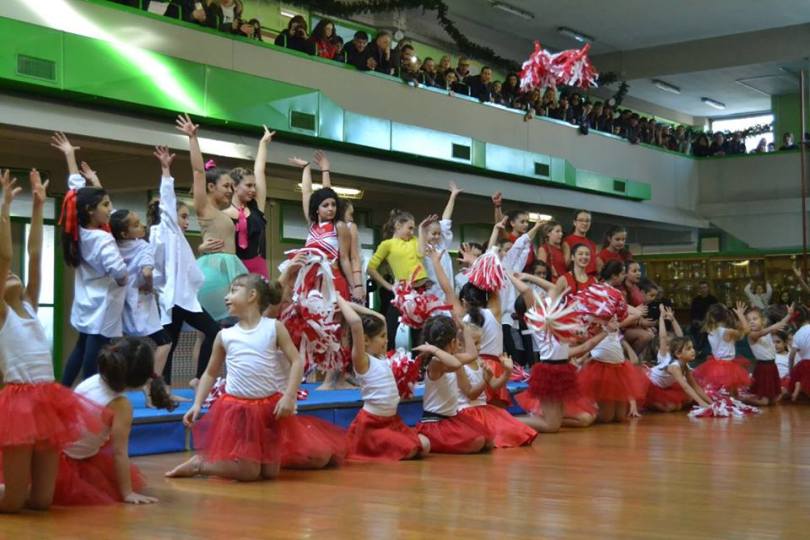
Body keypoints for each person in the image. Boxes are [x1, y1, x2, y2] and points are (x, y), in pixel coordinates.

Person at [166, 274, 343, 480]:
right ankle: (200, 465)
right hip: (238, 408)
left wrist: (289, 395)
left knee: (269, 473)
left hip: (269, 406)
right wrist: (197, 404)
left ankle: (248, 461)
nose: (227, 296)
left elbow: (297, 361)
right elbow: (210, 372)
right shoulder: (225, 335)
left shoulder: (273, 327)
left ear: (252, 295)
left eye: (233, 290)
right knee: (248, 472)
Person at [0, 169, 104, 513]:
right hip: (17, 402)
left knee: (42, 501)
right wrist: (5, 208)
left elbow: (34, 255)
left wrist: (39, 206)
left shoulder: (28, 303)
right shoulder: (2, 313)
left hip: (46, 398)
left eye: (15, 273)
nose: (12, 272)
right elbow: (5, 258)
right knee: (13, 503)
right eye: (6, 275)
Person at [54, 338, 174, 505]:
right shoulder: (120, 406)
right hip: (65, 461)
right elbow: (119, 452)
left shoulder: (93, 380)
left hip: (57, 450)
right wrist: (127, 493)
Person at [53, 133, 128, 386]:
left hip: (86, 300)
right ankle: (87, 401)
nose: (110, 209)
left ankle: (63, 393)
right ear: (90, 210)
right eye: (106, 205)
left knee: (81, 347)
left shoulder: (77, 231)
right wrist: (123, 279)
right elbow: (118, 271)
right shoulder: (102, 240)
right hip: (103, 305)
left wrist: (69, 155)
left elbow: (75, 190)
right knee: (94, 359)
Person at [148, 146, 221, 392]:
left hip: (184, 297)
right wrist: (166, 170)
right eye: (183, 216)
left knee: (179, 340)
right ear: (169, 216)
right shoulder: (163, 231)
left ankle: (195, 379)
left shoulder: (175, 236)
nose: (186, 221)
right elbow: (167, 202)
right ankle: (162, 388)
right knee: (170, 342)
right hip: (173, 298)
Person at [511, 274, 612, 433]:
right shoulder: (535, 318)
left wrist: (528, 276)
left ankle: (529, 419)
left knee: (557, 425)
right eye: (538, 297)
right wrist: (508, 273)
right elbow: (526, 291)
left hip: (562, 370)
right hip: (549, 372)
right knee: (551, 427)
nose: (542, 296)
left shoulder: (550, 315)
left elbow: (553, 288)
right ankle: (507, 420)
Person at [175, 113, 248, 324]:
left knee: (216, 331)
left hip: (226, 269)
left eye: (232, 187)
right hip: (215, 272)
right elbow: (198, 171)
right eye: (226, 186)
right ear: (210, 187)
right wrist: (192, 138)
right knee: (217, 328)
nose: (230, 191)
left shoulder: (222, 213)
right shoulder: (204, 207)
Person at [337, 297, 430, 461]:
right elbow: (356, 325)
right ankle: (375, 446)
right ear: (365, 340)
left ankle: (389, 445)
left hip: (392, 421)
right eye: (382, 336)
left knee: (425, 445)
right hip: (373, 424)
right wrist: (338, 298)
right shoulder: (362, 360)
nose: (387, 340)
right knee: (410, 449)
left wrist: (352, 305)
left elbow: (381, 319)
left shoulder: (381, 356)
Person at [108, 208, 172, 397]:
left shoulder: (113, 244)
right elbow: (147, 272)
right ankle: (151, 384)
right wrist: (149, 286)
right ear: (125, 233)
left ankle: (114, 387)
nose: (142, 226)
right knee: (165, 342)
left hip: (119, 300)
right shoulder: (143, 247)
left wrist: (95, 183)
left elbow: (112, 212)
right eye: (136, 225)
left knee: (122, 343)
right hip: (138, 300)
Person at [414, 315, 492, 453]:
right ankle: (430, 439)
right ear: (452, 343)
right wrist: (434, 350)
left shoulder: (449, 358)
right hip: (434, 423)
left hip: (451, 419)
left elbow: (472, 355)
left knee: (487, 439)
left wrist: (464, 328)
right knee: (477, 442)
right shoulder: (436, 362)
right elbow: (455, 364)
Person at [455, 322, 537, 448]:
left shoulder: (479, 361)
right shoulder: (458, 366)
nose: (480, 347)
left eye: (480, 342)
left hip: (483, 409)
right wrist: (485, 381)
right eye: (475, 343)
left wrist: (507, 372)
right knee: (499, 433)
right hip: (467, 412)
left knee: (516, 429)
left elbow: (494, 385)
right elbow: (471, 394)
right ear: (460, 345)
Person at [288, 150, 354, 300]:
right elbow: (306, 193)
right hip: (310, 279)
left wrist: (355, 287)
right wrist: (306, 168)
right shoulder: (312, 225)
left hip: (332, 279)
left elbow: (344, 258)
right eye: (325, 206)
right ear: (317, 209)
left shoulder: (338, 226)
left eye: (333, 205)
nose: (330, 208)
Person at [367, 209, 425, 349]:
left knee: (419, 331)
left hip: (420, 292)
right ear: (398, 225)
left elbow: (422, 254)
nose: (412, 232)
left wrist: (422, 230)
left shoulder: (414, 240)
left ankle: (420, 365)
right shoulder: (387, 244)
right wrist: (388, 286)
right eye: (409, 228)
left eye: (414, 229)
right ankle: (388, 358)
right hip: (402, 292)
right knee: (391, 326)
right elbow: (370, 268)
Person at [222, 127, 273, 279]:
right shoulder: (224, 215)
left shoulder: (256, 206)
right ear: (235, 186)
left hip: (258, 265)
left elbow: (260, 170)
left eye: (254, 186)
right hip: (235, 267)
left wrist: (263, 144)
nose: (253, 190)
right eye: (248, 186)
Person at [692, 302, 751, 394]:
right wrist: (740, 315)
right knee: (731, 392)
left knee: (721, 391)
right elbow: (747, 330)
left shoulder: (710, 330)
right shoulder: (728, 332)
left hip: (715, 363)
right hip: (727, 364)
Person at [646, 333, 712, 412]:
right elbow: (685, 387)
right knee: (669, 407)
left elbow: (695, 386)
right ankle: (646, 403)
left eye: (692, 348)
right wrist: (702, 403)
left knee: (686, 400)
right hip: (648, 383)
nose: (693, 351)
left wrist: (711, 403)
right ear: (678, 354)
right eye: (688, 349)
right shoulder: (674, 367)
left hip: (662, 386)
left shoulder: (685, 365)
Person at [743, 306, 792, 406]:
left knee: (774, 399)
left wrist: (789, 315)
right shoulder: (752, 335)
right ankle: (742, 399)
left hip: (772, 367)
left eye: (755, 319)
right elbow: (763, 332)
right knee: (764, 402)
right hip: (763, 368)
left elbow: (779, 325)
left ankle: (753, 397)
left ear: (762, 320)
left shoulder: (767, 331)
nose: (752, 322)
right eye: (748, 320)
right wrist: (772, 328)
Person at [421, 182, 461, 303]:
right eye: (434, 234)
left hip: (446, 294)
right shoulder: (422, 247)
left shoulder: (442, 244)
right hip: (430, 295)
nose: (437, 236)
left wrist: (453, 196)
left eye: (439, 233)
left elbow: (446, 218)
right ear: (425, 233)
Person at [563, 210, 597, 276]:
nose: (584, 223)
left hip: (591, 280)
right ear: (574, 222)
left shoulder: (592, 244)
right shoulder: (567, 240)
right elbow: (566, 265)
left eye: (587, 221)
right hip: (576, 279)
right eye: (581, 220)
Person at [788, 305, 810, 401]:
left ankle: (799, 388)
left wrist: (791, 371)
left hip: (806, 364)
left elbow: (791, 356)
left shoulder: (798, 334)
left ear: (794, 322)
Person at [689, 280, 718, 351]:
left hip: (710, 322)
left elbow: (715, 313)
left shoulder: (713, 300)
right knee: (692, 329)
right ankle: (696, 348)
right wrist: (696, 321)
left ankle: (699, 349)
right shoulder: (695, 300)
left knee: (703, 330)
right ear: (699, 289)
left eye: (704, 287)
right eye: (701, 288)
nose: (703, 289)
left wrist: (705, 321)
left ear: (708, 288)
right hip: (697, 322)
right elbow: (692, 313)